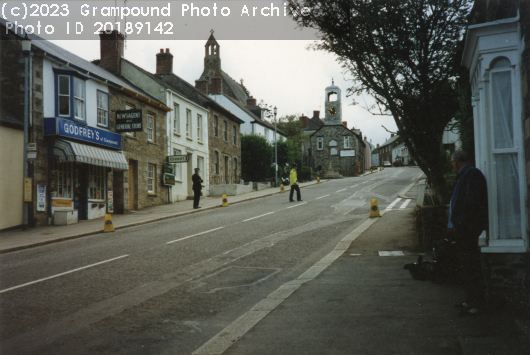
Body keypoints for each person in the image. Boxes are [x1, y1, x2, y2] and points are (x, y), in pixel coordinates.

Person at [448, 150, 488, 316]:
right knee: (466, 265)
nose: (452, 166)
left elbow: (471, 202)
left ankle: (477, 304)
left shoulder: (471, 174)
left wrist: (461, 222)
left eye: (452, 163)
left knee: (471, 266)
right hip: (464, 227)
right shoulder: (465, 174)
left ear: (456, 162)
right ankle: (471, 299)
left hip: (467, 229)